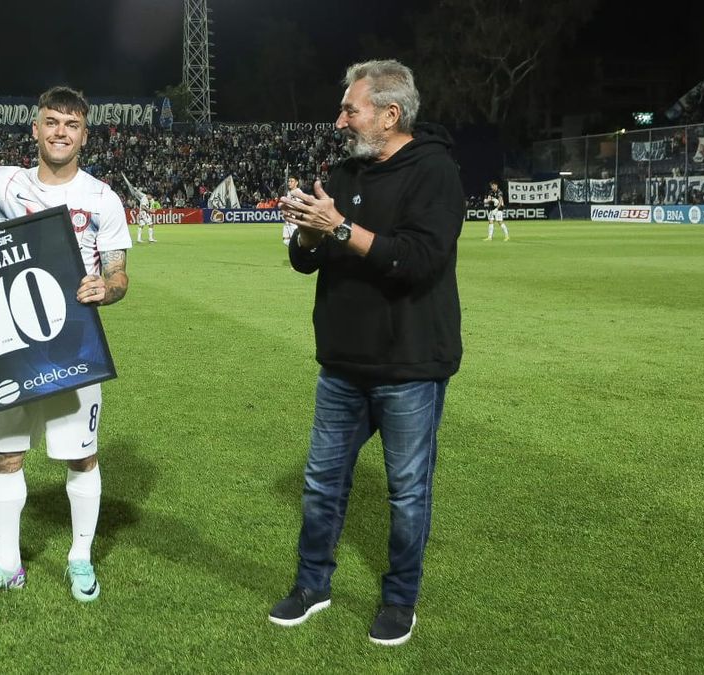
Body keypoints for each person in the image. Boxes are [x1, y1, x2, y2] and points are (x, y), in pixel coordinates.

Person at [270, 59, 463, 647]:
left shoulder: (435, 170)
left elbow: (418, 261)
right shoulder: (345, 171)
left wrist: (338, 228)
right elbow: (308, 260)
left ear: (390, 113)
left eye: (350, 109)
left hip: (408, 365)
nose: (340, 119)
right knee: (322, 482)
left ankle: (400, 600)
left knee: (407, 493)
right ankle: (312, 584)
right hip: (342, 364)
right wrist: (307, 230)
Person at [0, 41, 131, 604]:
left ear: (85, 135)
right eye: (52, 122)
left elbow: (119, 275)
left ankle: (79, 558)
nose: (62, 132)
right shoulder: (7, 184)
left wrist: (106, 288)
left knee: (81, 454)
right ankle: (5, 563)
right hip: (7, 345)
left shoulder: (103, 199)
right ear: (36, 129)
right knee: (5, 455)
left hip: (76, 346)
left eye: (72, 124)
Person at [282, 175, 300, 246]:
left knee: (296, 242)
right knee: (286, 241)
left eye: (292, 181)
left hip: (294, 222)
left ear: (296, 183)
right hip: (288, 221)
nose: (289, 183)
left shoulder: (299, 193)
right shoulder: (289, 193)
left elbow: (300, 206)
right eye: (289, 181)